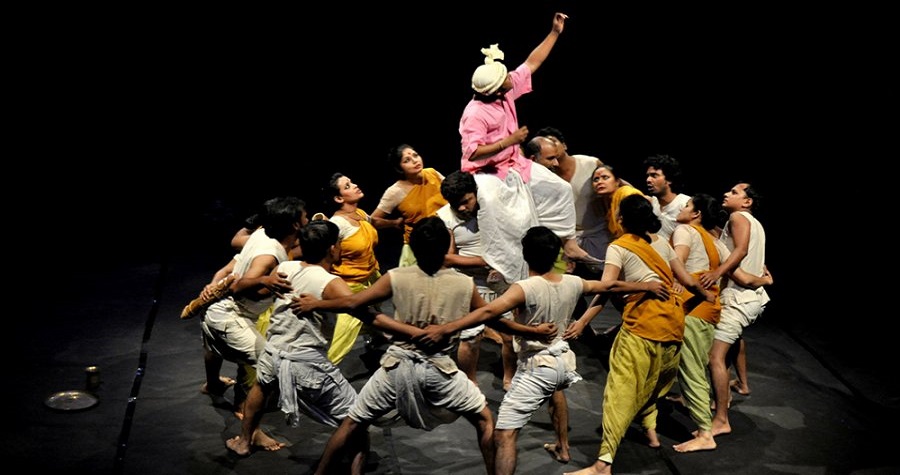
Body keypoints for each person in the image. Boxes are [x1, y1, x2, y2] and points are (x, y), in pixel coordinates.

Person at [293, 217, 556, 474]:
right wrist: (531, 331)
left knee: (352, 423)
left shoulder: (396, 277)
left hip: (395, 368)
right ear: (444, 249)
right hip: (439, 370)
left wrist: (316, 304)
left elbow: (353, 303)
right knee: (485, 421)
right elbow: (493, 319)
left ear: (414, 248)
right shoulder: (463, 283)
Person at [415, 225, 663, 474]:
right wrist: (647, 286)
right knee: (555, 392)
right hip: (562, 363)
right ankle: (563, 447)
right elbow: (609, 287)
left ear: (525, 255)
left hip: (537, 367)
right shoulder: (573, 282)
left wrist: (446, 328)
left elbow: (488, 311)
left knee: (504, 435)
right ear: (556, 255)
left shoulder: (524, 287)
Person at [224, 220, 424, 459]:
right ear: (332, 248)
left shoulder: (285, 268)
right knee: (356, 418)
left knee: (261, 387)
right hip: (305, 363)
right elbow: (370, 316)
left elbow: (250, 290)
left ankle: (244, 441)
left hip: (273, 353)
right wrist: (412, 332)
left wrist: (261, 280)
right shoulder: (330, 283)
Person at [565, 194, 715, 475]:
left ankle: (603, 464)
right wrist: (706, 296)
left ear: (621, 218)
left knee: (620, 392)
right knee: (651, 383)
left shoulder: (619, 247)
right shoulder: (661, 243)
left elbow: (607, 287)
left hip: (642, 328)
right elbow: (687, 280)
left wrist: (643, 288)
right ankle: (651, 432)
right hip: (671, 327)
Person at [459, 11, 595, 286]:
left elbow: (532, 62)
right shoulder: (474, 113)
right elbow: (472, 152)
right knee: (510, 219)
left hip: (514, 163)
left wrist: (554, 32)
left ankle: (568, 243)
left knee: (560, 189)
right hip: (486, 173)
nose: (512, 81)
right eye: (506, 83)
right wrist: (507, 142)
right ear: (494, 91)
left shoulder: (504, 89)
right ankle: (502, 268)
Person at [199, 197, 306, 416]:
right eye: (305, 216)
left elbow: (232, 265)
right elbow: (238, 286)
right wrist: (265, 281)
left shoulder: (261, 233)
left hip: (215, 310)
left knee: (213, 346)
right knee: (270, 364)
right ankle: (246, 416)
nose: (308, 218)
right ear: (295, 224)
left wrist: (214, 283)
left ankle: (213, 384)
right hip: (229, 316)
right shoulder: (269, 256)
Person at [699, 182, 770, 437]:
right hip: (748, 297)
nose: (726, 194)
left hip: (739, 298)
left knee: (714, 357)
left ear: (747, 201)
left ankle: (721, 419)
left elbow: (740, 252)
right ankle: (734, 390)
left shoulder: (738, 217)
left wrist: (717, 272)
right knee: (731, 344)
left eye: (734, 192)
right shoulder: (754, 224)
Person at [436, 170, 515, 386]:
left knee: (510, 337)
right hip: (470, 285)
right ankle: (470, 383)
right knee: (470, 339)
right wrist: (485, 261)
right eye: (456, 204)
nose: (462, 208)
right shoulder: (445, 217)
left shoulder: (494, 207)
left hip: (501, 282)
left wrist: (499, 263)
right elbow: (447, 258)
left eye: (466, 201)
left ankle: (509, 377)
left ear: (475, 193)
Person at [322, 172, 383, 365]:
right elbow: (329, 258)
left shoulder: (361, 214)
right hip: (351, 286)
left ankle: (375, 341)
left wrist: (398, 223)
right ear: (338, 198)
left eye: (352, 182)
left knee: (377, 317)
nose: (355, 185)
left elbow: (374, 225)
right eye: (347, 186)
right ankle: (323, 370)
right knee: (344, 335)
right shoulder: (337, 225)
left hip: (371, 277)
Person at [370, 144, 447, 267]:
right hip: (420, 246)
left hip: (447, 237)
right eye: (407, 160)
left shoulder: (432, 173)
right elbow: (373, 220)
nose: (415, 161)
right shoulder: (395, 191)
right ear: (399, 168)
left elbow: (452, 193)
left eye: (415, 155)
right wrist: (394, 223)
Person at [643, 154, 691, 241]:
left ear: (669, 180)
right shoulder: (653, 203)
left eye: (654, 175)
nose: (648, 180)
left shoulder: (686, 204)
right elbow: (632, 192)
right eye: (648, 176)